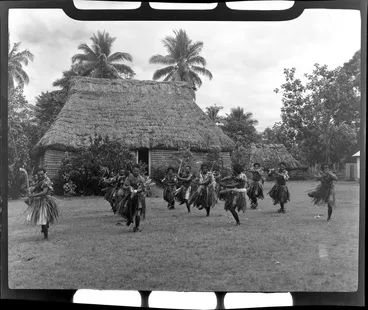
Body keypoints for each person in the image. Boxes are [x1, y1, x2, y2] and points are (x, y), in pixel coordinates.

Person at [24, 167, 59, 240]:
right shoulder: (39, 180)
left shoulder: (47, 180)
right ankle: (45, 225)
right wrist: (30, 189)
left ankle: (46, 236)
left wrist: (33, 195)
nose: (40, 176)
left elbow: (44, 192)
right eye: (38, 175)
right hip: (39, 200)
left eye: (41, 174)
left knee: (43, 218)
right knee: (27, 201)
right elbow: (36, 187)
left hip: (45, 200)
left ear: (44, 173)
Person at [120, 164, 147, 232]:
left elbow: (144, 188)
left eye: (137, 171)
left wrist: (138, 190)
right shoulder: (129, 177)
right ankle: (129, 219)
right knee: (127, 208)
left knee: (138, 212)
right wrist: (129, 188)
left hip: (138, 197)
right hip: (130, 196)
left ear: (139, 171)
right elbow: (124, 186)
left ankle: (137, 226)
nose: (136, 172)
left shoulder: (141, 178)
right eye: (134, 171)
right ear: (132, 171)